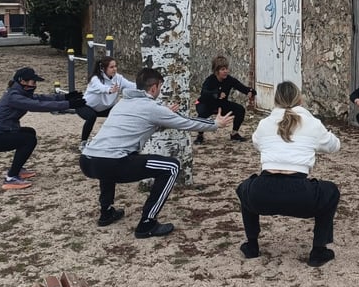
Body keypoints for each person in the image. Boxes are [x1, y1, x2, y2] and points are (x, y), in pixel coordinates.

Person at [79, 67, 234, 237]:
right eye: (160, 87)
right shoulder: (152, 107)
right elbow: (185, 122)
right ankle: (147, 223)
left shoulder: (122, 103)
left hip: (87, 160)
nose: (160, 91)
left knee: (108, 158)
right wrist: (215, 124)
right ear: (154, 88)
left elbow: (141, 125)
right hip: (112, 162)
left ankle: (106, 212)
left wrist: (165, 116)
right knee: (171, 167)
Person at [236, 81, 341, 267]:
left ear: (275, 100)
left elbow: (256, 143)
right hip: (300, 196)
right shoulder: (312, 123)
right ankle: (318, 250)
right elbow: (334, 146)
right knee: (330, 191)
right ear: (299, 99)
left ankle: (251, 244)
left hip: (263, 194)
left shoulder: (264, 123)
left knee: (245, 188)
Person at [0, 67, 86, 190]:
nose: (35, 85)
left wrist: (65, 97)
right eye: (33, 81)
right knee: (28, 140)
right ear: (23, 81)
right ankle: (11, 177)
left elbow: (41, 98)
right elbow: (38, 105)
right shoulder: (14, 96)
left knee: (29, 132)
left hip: (1, 132)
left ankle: (17, 169)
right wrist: (69, 104)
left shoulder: (20, 93)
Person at [194, 54, 256, 145]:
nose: (226, 71)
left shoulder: (229, 80)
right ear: (216, 71)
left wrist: (249, 91)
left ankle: (234, 134)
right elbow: (204, 93)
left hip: (221, 104)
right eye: (223, 69)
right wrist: (216, 94)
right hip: (206, 103)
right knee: (202, 115)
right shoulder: (210, 80)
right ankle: (200, 136)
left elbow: (240, 87)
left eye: (226, 69)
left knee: (240, 109)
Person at [76, 56, 136, 150]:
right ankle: (83, 143)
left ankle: (117, 140)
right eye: (111, 67)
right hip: (85, 106)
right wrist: (109, 90)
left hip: (103, 108)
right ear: (103, 69)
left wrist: (144, 86)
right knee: (92, 117)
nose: (114, 69)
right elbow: (101, 88)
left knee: (120, 112)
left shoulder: (118, 78)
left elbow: (131, 85)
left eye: (115, 66)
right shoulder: (95, 79)